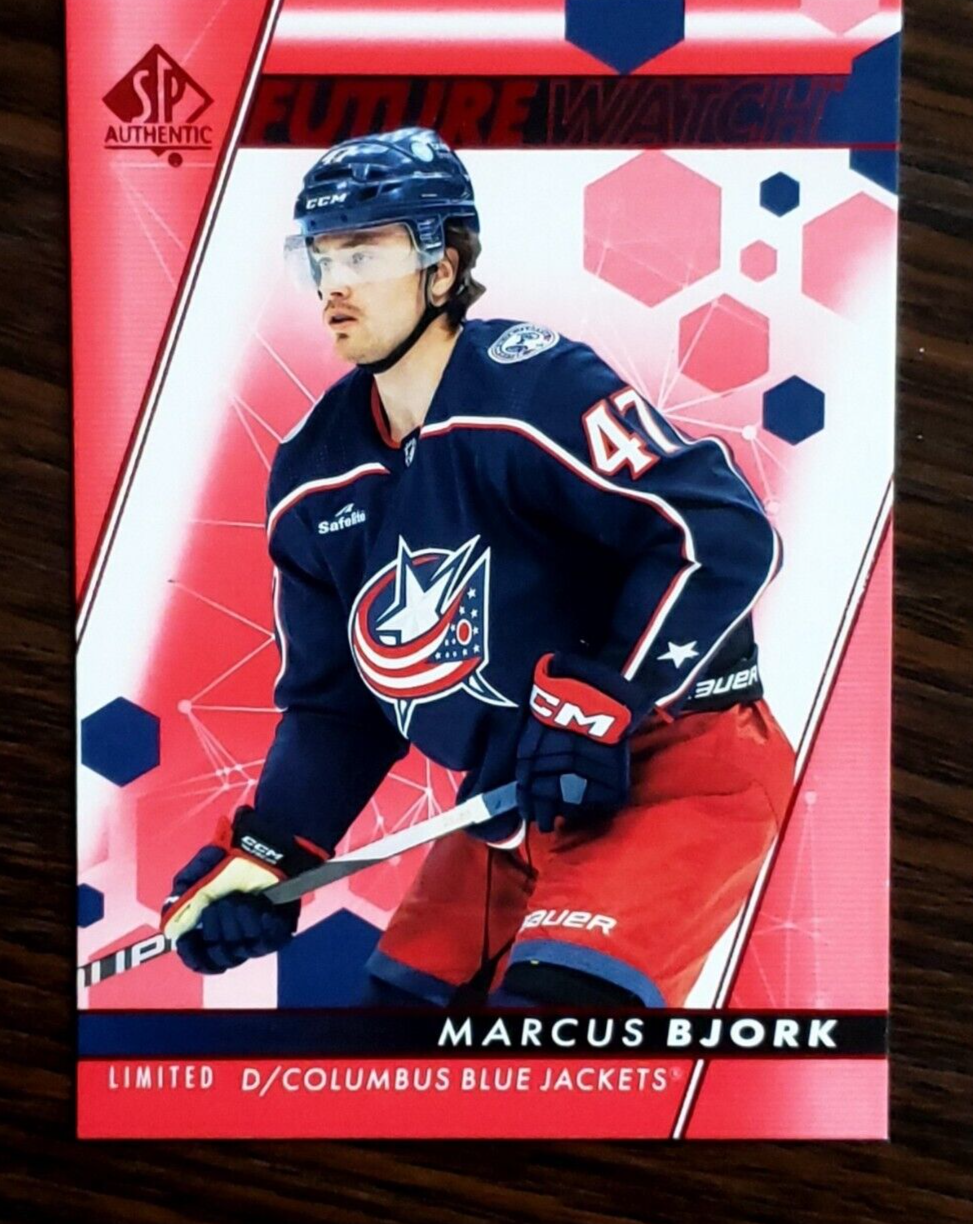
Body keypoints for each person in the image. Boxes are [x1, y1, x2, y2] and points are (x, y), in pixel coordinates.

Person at [160, 127, 795, 1008]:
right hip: (509, 801)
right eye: (321, 256)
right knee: (393, 1046)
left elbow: (717, 534)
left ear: (443, 267)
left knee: (545, 1036)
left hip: (674, 766)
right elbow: (338, 706)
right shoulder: (311, 473)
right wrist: (271, 848)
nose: (334, 282)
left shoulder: (532, 387)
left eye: (364, 251)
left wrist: (606, 694)